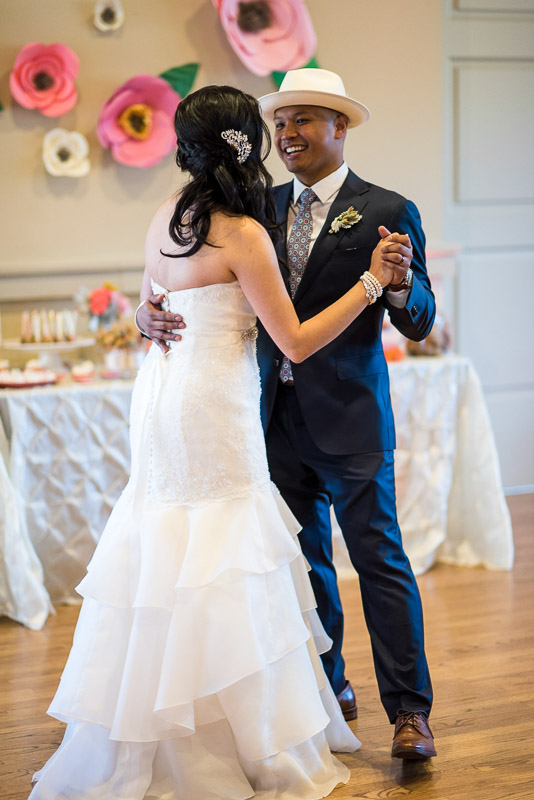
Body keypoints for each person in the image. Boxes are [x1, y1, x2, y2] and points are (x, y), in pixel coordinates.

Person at [28, 84, 409, 800]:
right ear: (247, 142)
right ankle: (231, 733)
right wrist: (367, 286)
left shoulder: (166, 216)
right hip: (213, 406)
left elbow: (153, 302)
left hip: (162, 398)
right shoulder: (242, 232)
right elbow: (292, 342)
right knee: (222, 556)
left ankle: (153, 720)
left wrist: (146, 316)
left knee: (169, 548)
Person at [137, 69, 438, 761]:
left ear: (341, 127)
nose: (288, 134)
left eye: (304, 119)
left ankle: (411, 712)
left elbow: (419, 320)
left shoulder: (388, 207)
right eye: (279, 123)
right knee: (302, 567)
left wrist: (395, 286)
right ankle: (328, 690)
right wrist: (143, 307)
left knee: (380, 561)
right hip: (264, 419)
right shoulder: (256, 206)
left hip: (351, 416)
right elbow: (184, 275)